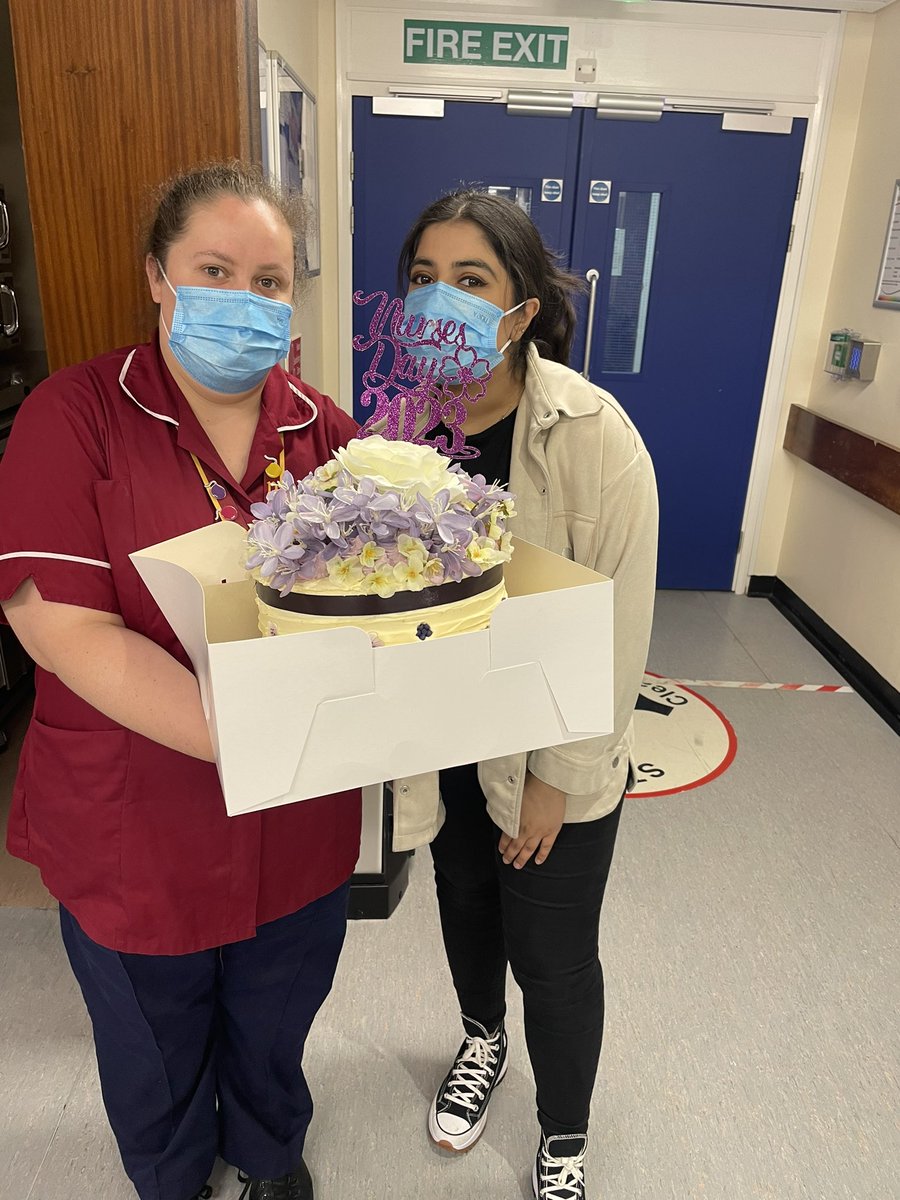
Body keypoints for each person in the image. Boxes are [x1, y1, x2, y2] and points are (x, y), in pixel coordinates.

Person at [0, 162, 361, 1200]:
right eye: (215, 269)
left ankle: (267, 1154)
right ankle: (169, 1176)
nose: (244, 303)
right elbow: (58, 624)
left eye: (270, 282)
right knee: (151, 1043)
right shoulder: (74, 418)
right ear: (159, 276)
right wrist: (251, 730)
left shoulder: (325, 433)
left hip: (298, 817)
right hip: (136, 823)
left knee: (275, 1018)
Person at [389, 191, 659, 1200]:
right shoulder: (402, 425)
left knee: (552, 953)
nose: (441, 303)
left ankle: (563, 1135)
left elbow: (618, 633)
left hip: (554, 755)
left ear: (523, 309)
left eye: (472, 281)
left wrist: (558, 777)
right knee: (465, 906)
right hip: (447, 737)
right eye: (423, 278)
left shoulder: (594, 436)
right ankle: (479, 1038)